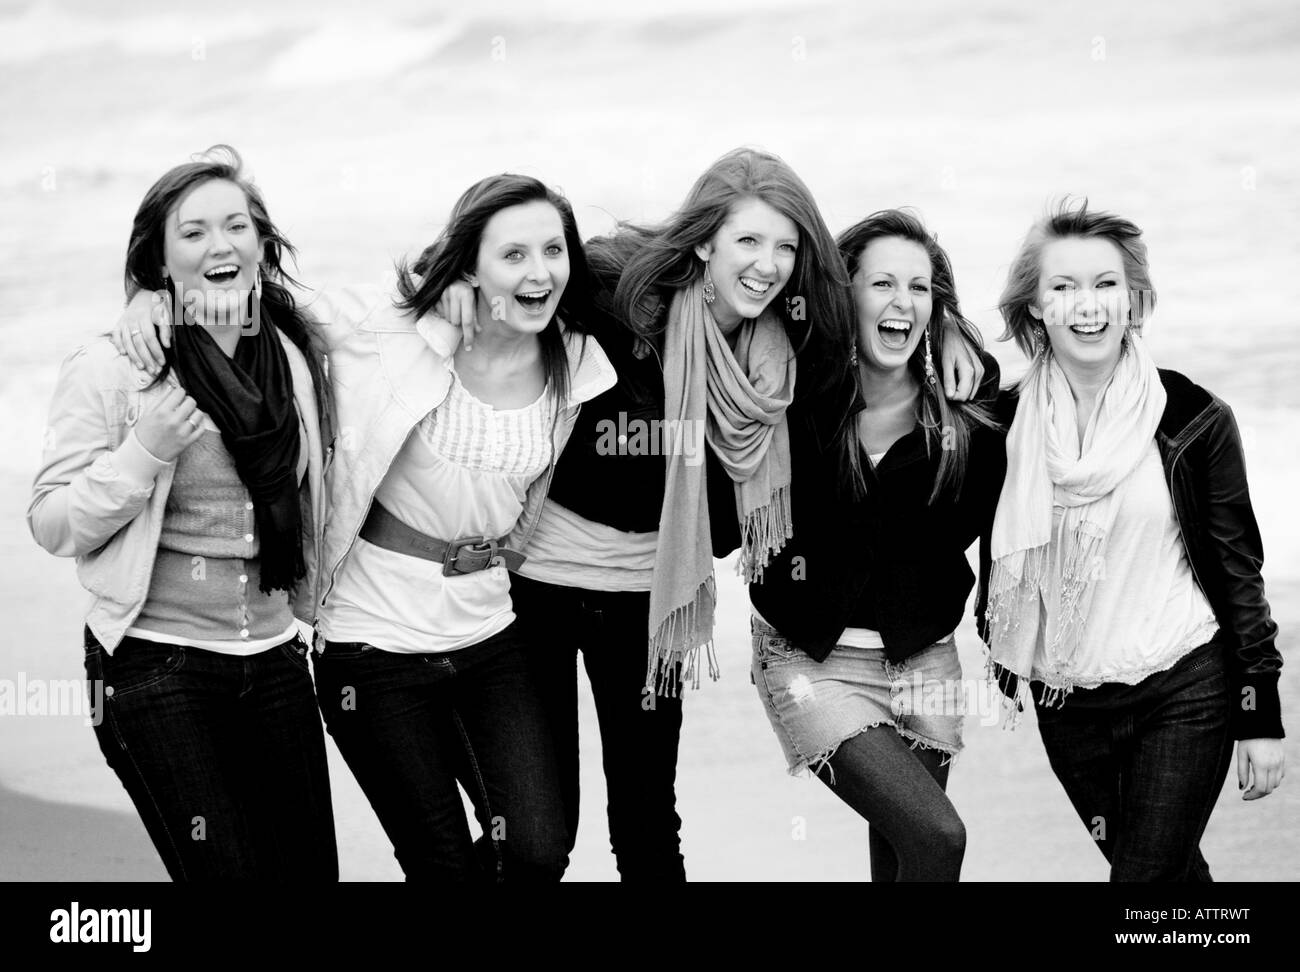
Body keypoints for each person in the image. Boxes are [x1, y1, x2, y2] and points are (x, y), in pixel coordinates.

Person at [436, 149, 988, 880]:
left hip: (649, 604)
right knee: (540, 837)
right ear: (703, 241)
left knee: (645, 819)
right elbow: (523, 286)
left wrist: (949, 326)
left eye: (786, 247)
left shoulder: (784, 353)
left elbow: (881, 327)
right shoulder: (614, 291)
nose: (768, 264)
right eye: (748, 242)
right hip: (537, 587)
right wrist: (457, 300)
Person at [113, 173, 617, 882]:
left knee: (537, 848)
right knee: (439, 860)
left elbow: (671, 275)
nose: (540, 272)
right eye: (514, 254)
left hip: (489, 629)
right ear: (468, 263)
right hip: (371, 641)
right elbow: (259, 294)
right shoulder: (391, 328)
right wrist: (150, 297)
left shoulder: (579, 358)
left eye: (554, 250)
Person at [30, 145, 337, 880]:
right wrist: (143, 450)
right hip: (154, 667)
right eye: (193, 232)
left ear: (261, 244)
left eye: (236, 225)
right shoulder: (114, 366)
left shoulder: (295, 353)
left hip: (272, 659)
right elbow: (52, 520)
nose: (220, 244)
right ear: (160, 260)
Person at [980, 198, 1285, 880]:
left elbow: (1239, 573)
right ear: (1034, 308)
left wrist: (1259, 713)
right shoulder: (1000, 427)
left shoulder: (1194, 419)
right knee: (1167, 878)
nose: (1087, 305)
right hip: (1066, 704)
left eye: (1106, 284)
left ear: (1135, 302)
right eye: (1063, 286)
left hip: (1184, 685)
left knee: (1142, 884)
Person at [747, 209, 1004, 881]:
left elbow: (992, 519)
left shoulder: (963, 414)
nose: (903, 303)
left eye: (919, 289)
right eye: (882, 283)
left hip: (926, 663)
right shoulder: (798, 394)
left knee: (901, 857)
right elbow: (742, 319)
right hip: (809, 660)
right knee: (938, 838)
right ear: (845, 294)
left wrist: (957, 332)